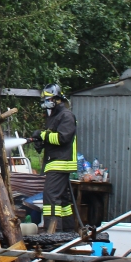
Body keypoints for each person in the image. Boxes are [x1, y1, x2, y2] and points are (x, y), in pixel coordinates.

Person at [31, 83, 78, 233]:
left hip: (61, 163)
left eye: (49, 99)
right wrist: (41, 142)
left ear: (58, 99)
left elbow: (62, 138)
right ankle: (68, 232)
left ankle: (52, 234)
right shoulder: (54, 117)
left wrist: (42, 135)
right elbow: (51, 138)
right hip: (55, 162)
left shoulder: (66, 116)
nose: (46, 102)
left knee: (50, 198)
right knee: (62, 202)